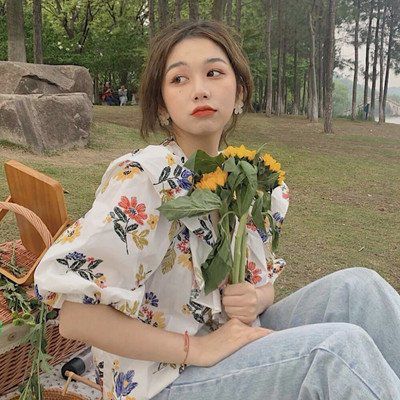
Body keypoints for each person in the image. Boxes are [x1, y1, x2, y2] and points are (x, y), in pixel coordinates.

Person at [34, 20, 400, 400]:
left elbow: (260, 284)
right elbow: (77, 318)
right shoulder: (146, 179)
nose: (200, 89)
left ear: (239, 92)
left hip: (230, 342)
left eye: (213, 73)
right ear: (161, 106)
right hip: (164, 380)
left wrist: (257, 298)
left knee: (360, 288)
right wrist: (197, 348)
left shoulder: (242, 177)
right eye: (179, 79)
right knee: (335, 352)